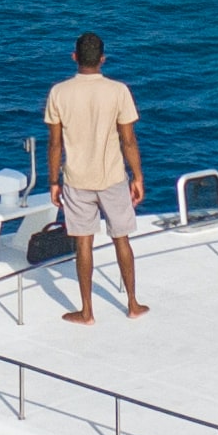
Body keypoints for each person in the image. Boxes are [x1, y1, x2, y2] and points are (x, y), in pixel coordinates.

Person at [41, 35, 144, 325]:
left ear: (74, 57)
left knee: (83, 244)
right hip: (112, 176)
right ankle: (133, 303)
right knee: (121, 239)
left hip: (76, 179)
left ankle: (86, 312)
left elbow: (55, 145)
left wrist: (52, 181)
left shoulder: (59, 93)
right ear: (102, 59)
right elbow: (128, 140)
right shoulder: (118, 91)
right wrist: (137, 177)